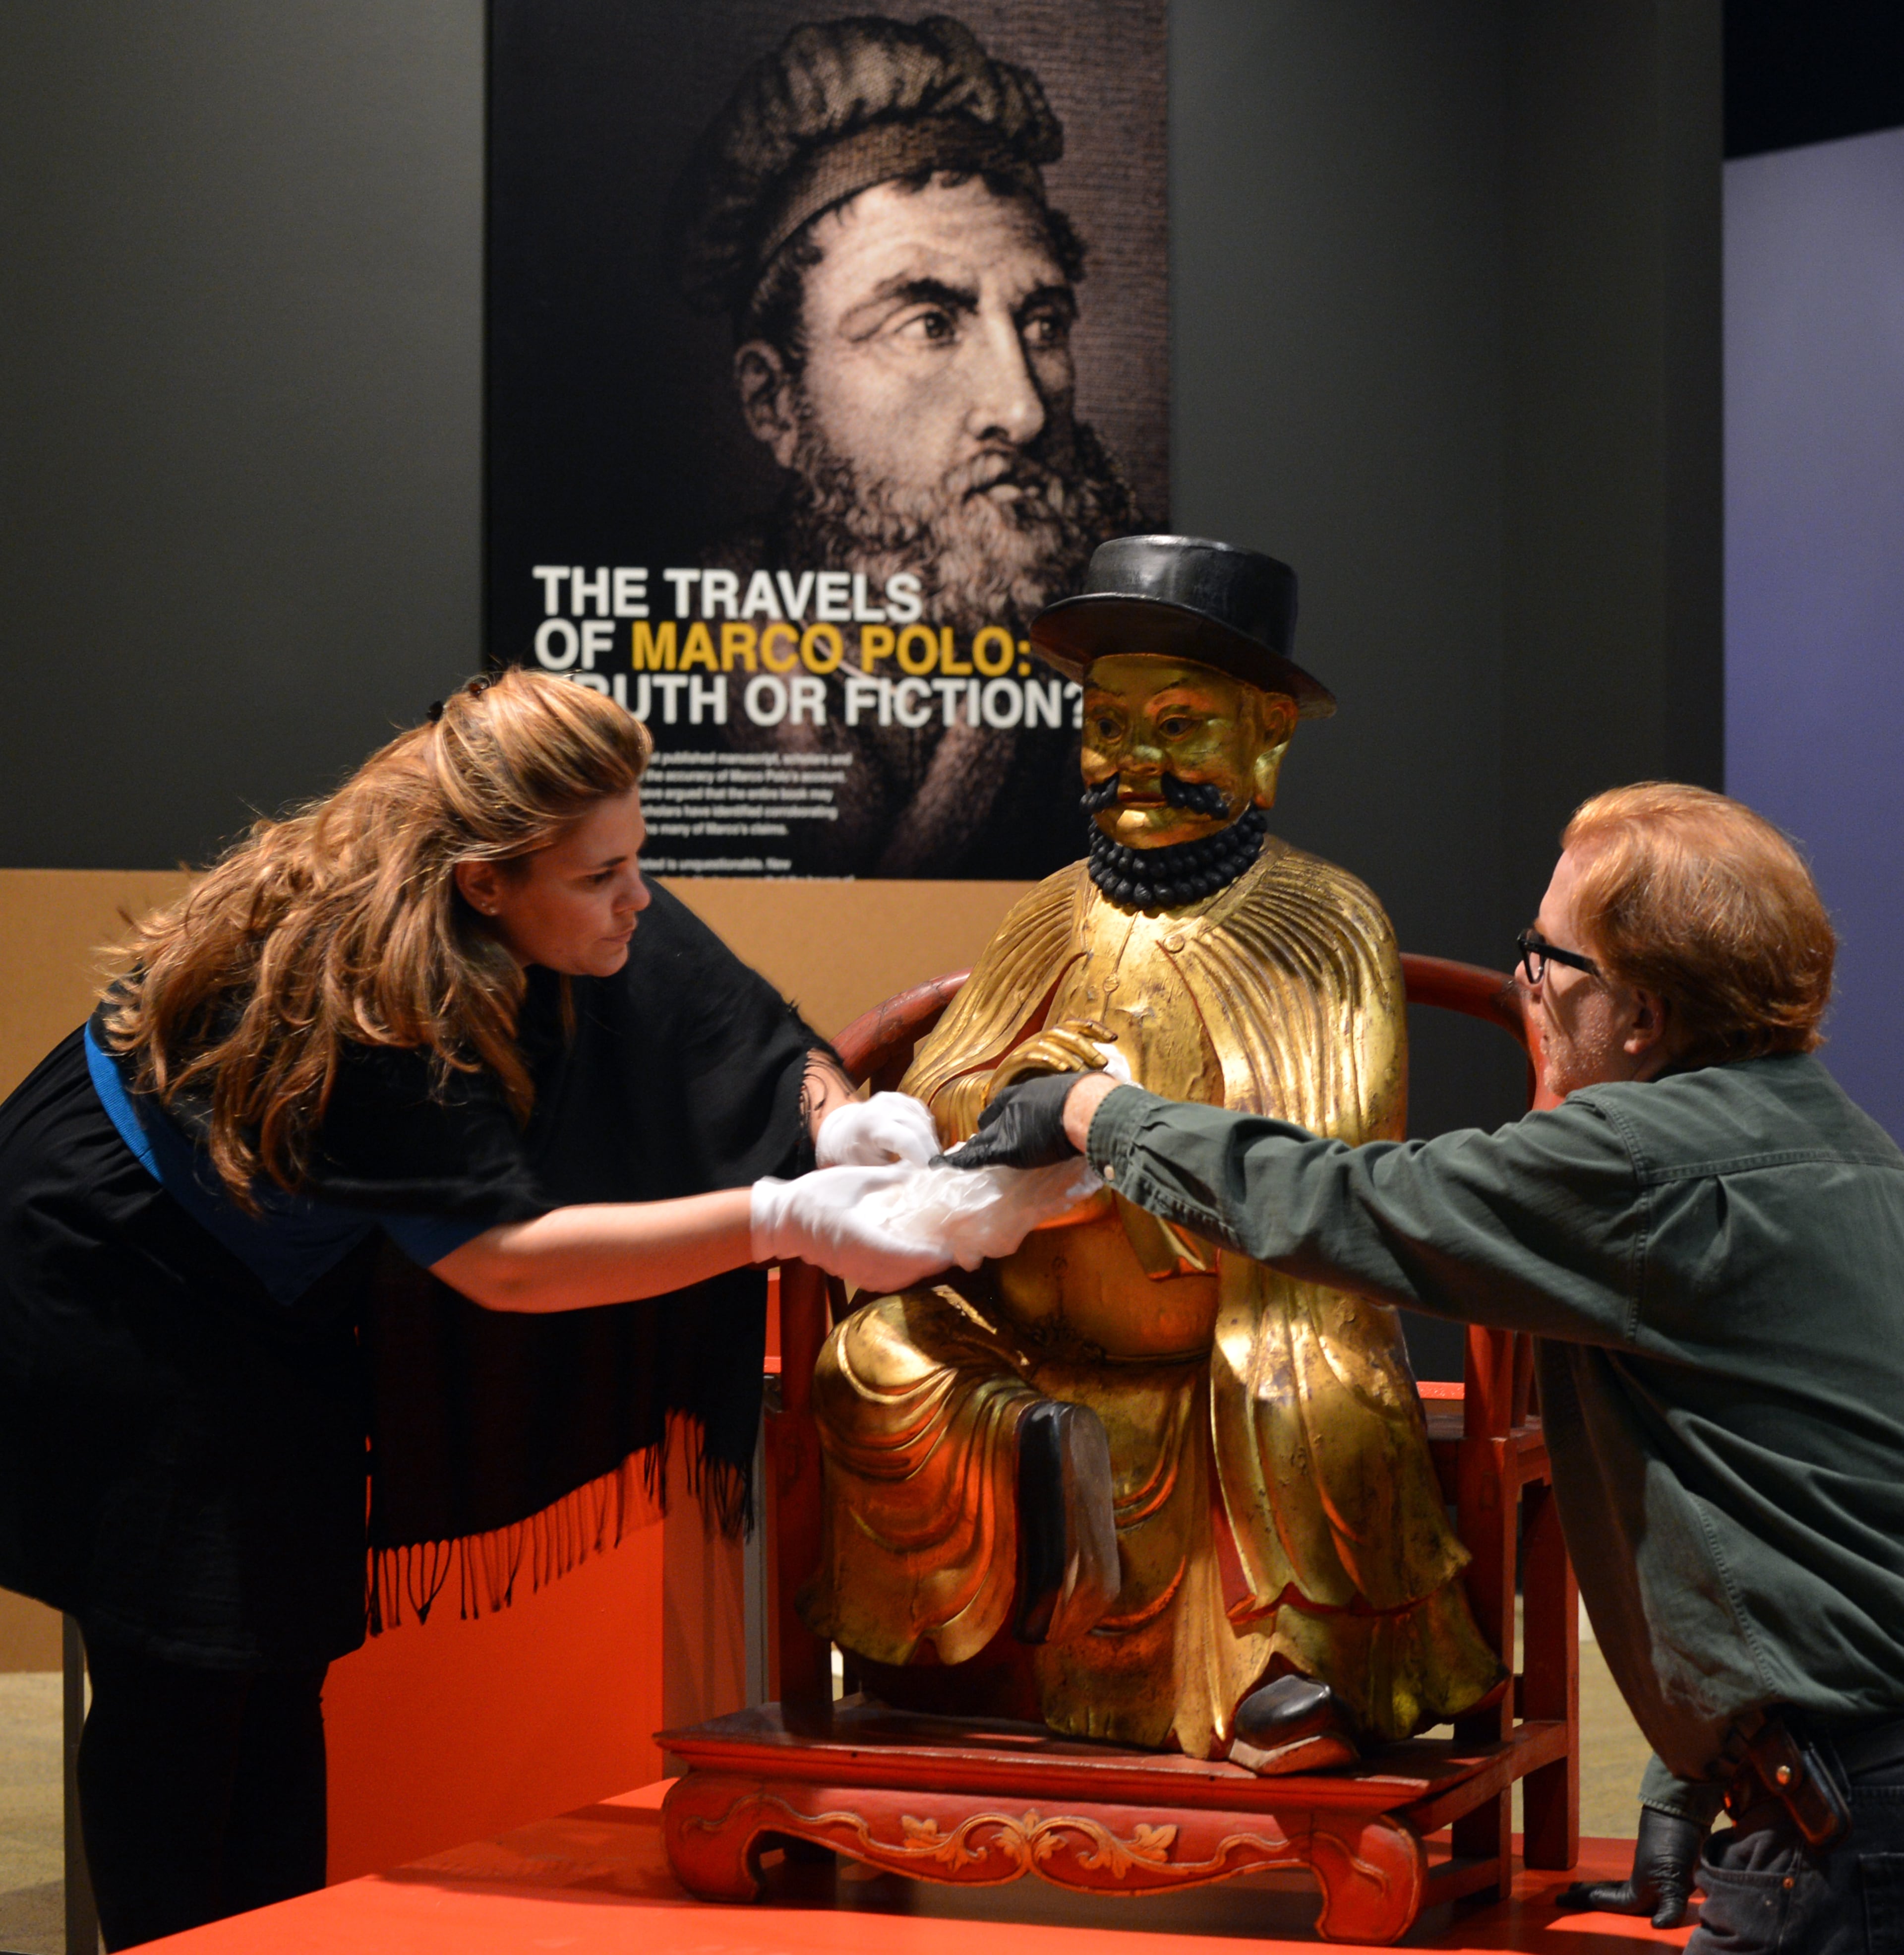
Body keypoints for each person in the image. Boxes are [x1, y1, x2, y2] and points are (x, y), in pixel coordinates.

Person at [0, 669, 1025, 1950]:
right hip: (119, 1258)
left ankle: (262, 1928)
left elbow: (725, 1022)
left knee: (284, 1633)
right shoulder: (383, 997)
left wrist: (835, 1113)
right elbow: (509, 1263)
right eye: (601, 879)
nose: (635, 897)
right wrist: (786, 1220)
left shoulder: (540, 839)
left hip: (270, 1250)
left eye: (636, 858)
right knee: (188, 1659)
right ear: (487, 884)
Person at [954, 781, 1904, 1955]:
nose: (1527, 986)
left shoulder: (1638, 1161)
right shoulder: (1849, 1148)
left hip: (1847, 1837)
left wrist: (1096, 1107)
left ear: (1645, 1016)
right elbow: (1786, 1495)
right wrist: (1697, 1779)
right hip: (1838, 1795)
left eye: (1548, 959)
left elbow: (1347, 1200)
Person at [799, 535, 1500, 1765]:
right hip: (1028, 1324)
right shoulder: (1051, 910)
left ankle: (1296, 1672)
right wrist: (1008, 1094)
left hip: (1238, 1323)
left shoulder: (1323, 924)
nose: (1134, 759)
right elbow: (949, 1078)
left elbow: (1321, 1164)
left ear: (1266, 735)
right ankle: (986, 1604)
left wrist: (1121, 1118)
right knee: (872, 1359)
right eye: (1109, 722)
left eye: (1180, 728)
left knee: (1318, 1396)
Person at [670, 12, 1145, 876]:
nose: (1023, 409)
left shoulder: (1145, 676)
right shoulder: (655, 663)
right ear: (775, 401)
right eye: (930, 324)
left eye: (1041, 322)